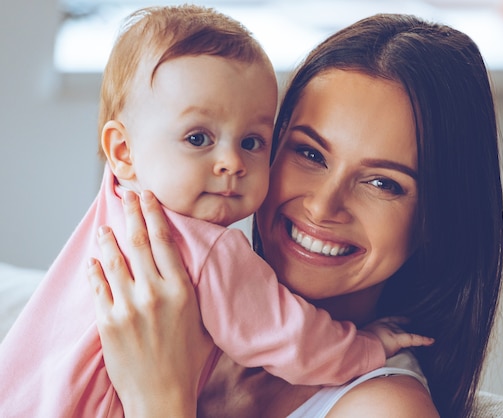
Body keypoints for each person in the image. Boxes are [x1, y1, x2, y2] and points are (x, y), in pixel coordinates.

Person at [0, 6, 433, 418]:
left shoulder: (116, 204)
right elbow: (292, 337)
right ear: (123, 151)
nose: (232, 163)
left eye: (251, 141)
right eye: (198, 138)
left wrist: (160, 401)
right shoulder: (211, 251)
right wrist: (366, 347)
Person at [87, 12, 503, 418]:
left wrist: (159, 401)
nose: (323, 206)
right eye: (309, 153)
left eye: (383, 183)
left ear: (436, 221)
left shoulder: (386, 408)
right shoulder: (166, 316)